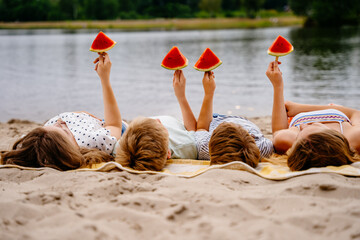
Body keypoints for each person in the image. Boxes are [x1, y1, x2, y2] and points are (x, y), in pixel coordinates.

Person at [1, 53, 126, 171]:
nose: (61, 121)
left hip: (95, 122)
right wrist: (105, 79)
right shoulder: (92, 141)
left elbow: (74, 116)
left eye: (53, 124)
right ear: (68, 148)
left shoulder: (38, 140)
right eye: (64, 130)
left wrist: (84, 116)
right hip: (117, 127)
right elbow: (115, 125)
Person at [266, 60, 360, 171]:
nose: (303, 126)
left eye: (300, 132)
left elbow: (278, 132)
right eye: (309, 127)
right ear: (328, 136)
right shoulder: (354, 137)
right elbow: (354, 113)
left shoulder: (290, 139)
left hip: (294, 117)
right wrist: (301, 108)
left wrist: (277, 85)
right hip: (336, 110)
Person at [183, 70, 273, 167]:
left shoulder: (204, 148)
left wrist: (209, 93)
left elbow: (201, 128)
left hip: (216, 119)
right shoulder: (264, 149)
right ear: (251, 136)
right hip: (239, 124)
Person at [115, 70, 198, 171]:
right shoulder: (185, 146)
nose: (158, 120)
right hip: (179, 125)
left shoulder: (122, 149)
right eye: (160, 124)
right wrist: (181, 97)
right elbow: (192, 128)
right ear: (168, 153)